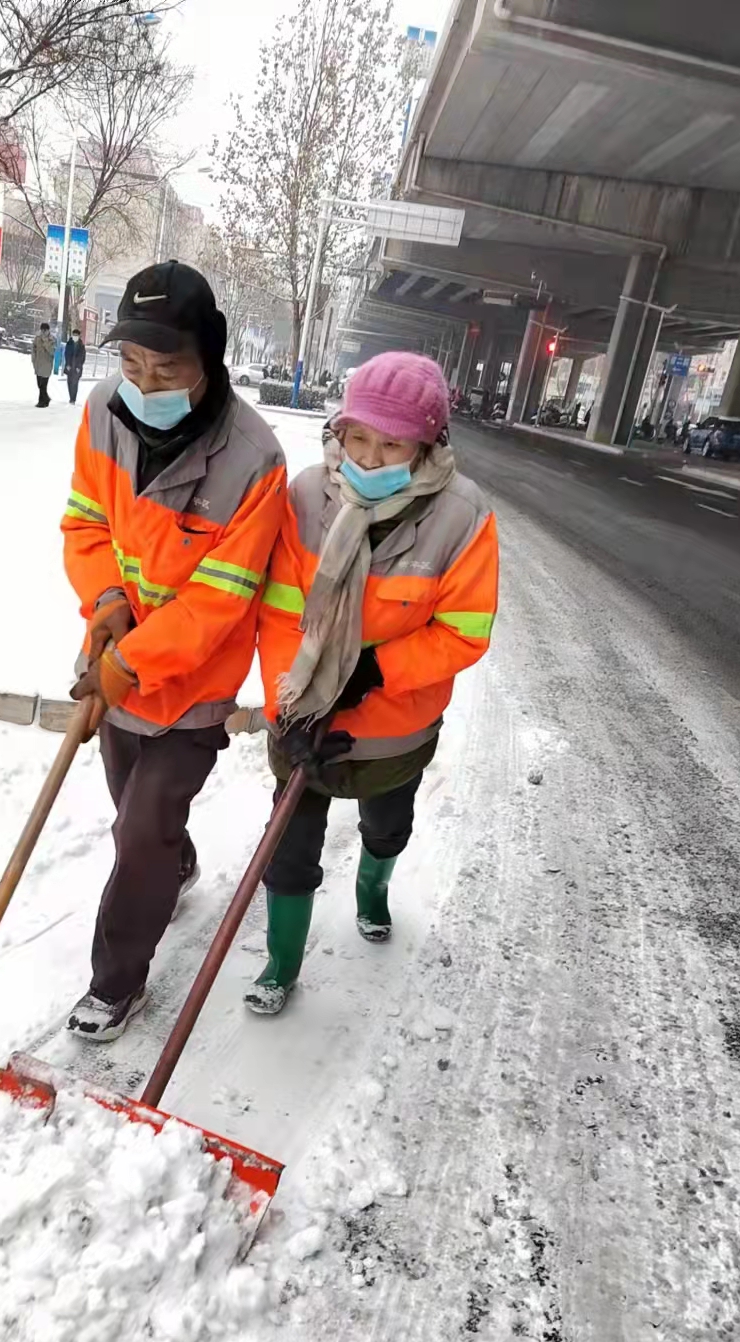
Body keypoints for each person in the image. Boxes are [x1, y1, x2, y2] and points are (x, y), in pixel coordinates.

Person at [60, 260, 288, 1040]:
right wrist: (108, 603)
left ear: (210, 360)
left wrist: (133, 662)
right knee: (139, 815)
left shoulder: (253, 458)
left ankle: (115, 982)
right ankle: (174, 861)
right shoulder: (101, 415)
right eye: (130, 363)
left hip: (191, 684)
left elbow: (221, 597)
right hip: (114, 656)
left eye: (168, 367)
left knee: (140, 829)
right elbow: (85, 525)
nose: (145, 381)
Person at [247, 350, 499, 1016]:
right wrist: (290, 704)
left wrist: (374, 670)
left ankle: (373, 889)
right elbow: (276, 611)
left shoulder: (461, 518)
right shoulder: (304, 495)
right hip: (304, 720)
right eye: (357, 435)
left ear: (427, 443)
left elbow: (464, 631)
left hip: (393, 728)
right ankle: (281, 964)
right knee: (288, 847)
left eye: (391, 443)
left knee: (386, 825)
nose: (368, 455)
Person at [32, 321, 56, 406]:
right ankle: (46, 399)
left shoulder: (52, 339)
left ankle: (41, 401)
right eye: (42, 330)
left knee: (43, 385)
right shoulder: (37, 338)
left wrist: (46, 342)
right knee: (39, 384)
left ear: (48, 330)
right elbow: (33, 349)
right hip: (38, 364)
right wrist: (33, 360)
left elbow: (52, 352)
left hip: (47, 364)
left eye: (45, 330)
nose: (43, 332)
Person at [63, 327, 86, 403]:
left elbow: (83, 357)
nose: (75, 336)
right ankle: (71, 397)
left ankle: (73, 399)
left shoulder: (81, 345)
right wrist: (67, 364)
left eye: (76, 335)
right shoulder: (69, 343)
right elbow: (66, 354)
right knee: (69, 382)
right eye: (74, 335)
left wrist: (79, 366)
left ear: (79, 336)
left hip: (77, 367)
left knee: (75, 383)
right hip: (69, 366)